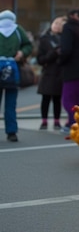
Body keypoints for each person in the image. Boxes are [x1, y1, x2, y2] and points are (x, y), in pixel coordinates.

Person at [0, 9, 33, 142]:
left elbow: (27, 45)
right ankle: (11, 132)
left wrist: (22, 52)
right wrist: (22, 53)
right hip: (13, 69)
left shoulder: (18, 30)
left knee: (10, 102)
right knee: (11, 103)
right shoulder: (18, 29)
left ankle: (11, 131)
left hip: (9, 67)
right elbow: (28, 45)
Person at [36, 15, 67, 130]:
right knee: (46, 98)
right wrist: (53, 54)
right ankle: (44, 121)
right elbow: (40, 59)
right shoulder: (44, 39)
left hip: (60, 72)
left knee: (57, 99)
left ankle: (57, 121)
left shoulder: (65, 38)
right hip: (48, 72)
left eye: (60, 24)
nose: (57, 26)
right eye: (55, 23)